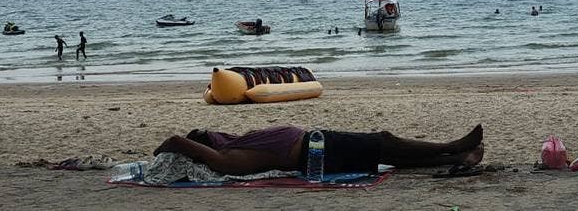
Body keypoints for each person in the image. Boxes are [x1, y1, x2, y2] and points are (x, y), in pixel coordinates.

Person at [152, 123, 484, 177]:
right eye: (208, 136)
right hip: (316, 150)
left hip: (317, 147)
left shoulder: (233, 145)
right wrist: (172, 146)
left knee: (386, 155)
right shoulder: (227, 158)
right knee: (384, 143)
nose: (215, 133)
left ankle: (458, 156)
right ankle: (453, 147)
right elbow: (174, 141)